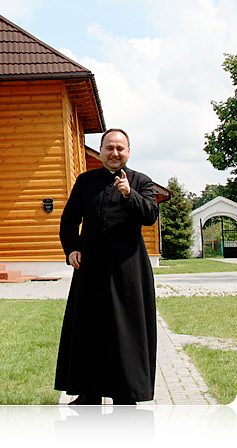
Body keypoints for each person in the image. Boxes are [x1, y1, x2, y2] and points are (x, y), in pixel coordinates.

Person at [54, 128, 159, 405]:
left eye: (120, 149)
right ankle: (88, 393)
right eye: (109, 148)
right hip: (91, 268)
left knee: (126, 332)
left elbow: (150, 216)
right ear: (100, 151)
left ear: (128, 151)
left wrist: (129, 194)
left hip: (129, 270)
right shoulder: (86, 181)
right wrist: (72, 248)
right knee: (89, 328)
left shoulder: (141, 182)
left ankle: (127, 394)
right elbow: (68, 221)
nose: (115, 153)